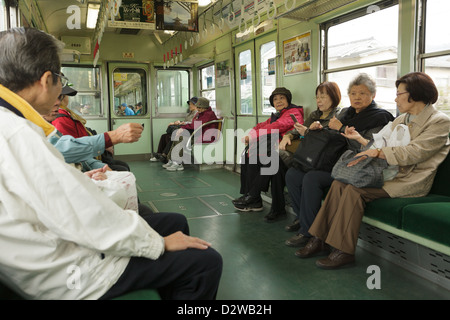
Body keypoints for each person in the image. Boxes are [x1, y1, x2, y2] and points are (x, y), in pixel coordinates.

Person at [0, 27, 222, 300]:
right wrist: (158, 244)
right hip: (67, 272)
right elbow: (80, 213)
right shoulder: (17, 133)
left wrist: (83, 180)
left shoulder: (12, 126)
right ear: (47, 80)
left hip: (45, 250)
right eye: (61, 80)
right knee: (206, 262)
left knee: (174, 222)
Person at [297, 72, 450, 269]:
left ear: (415, 94)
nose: (395, 98)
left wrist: (377, 153)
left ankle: (343, 250)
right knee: (339, 183)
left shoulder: (439, 121)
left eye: (399, 93)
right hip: (389, 173)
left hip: (409, 181)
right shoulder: (403, 118)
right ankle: (319, 238)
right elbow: (380, 141)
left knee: (354, 189)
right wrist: (360, 140)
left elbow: (415, 153)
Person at [285, 74, 395, 247]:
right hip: (333, 160)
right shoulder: (346, 113)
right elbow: (330, 137)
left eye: (362, 93)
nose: (357, 97)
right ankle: (303, 220)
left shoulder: (381, 118)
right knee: (293, 174)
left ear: (373, 95)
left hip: (355, 164)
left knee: (311, 178)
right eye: (353, 93)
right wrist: (316, 130)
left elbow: (368, 148)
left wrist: (342, 128)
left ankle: (309, 233)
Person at [232, 87, 304, 215]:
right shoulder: (276, 115)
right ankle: (251, 196)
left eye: (282, 98)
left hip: (287, 152)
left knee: (268, 162)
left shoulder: (294, 113)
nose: (278, 101)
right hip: (275, 149)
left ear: (288, 100)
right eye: (275, 99)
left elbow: (278, 126)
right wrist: (252, 133)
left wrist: (254, 136)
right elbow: (260, 126)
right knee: (248, 154)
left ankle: (253, 196)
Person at [43, 97, 143, 171]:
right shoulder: (60, 119)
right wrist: (113, 137)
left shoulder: (58, 119)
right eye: (54, 96)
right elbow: (64, 151)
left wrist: (98, 165)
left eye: (60, 97)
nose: (57, 102)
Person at [52, 85, 130, 171]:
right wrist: (106, 142)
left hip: (87, 158)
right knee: (123, 169)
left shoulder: (66, 114)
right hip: (83, 162)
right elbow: (73, 151)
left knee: (122, 166)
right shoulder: (60, 118)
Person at [163, 97, 218, 171]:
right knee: (177, 136)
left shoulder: (209, 114)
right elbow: (193, 123)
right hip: (197, 135)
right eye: (197, 107)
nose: (198, 109)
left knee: (181, 139)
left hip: (204, 137)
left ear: (205, 107)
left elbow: (196, 125)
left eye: (200, 108)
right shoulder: (200, 113)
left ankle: (178, 163)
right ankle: (171, 160)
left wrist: (182, 128)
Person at [150, 97, 198, 162]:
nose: (190, 106)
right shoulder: (191, 113)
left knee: (173, 136)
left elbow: (192, 123)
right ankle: (160, 154)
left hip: (189, 131)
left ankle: (165, 155)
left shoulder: (196, 113)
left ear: (196, 105)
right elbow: (186, 121)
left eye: (191, 104)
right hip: (184, 128)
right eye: (189, 104)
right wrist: (178, 122)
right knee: (164, 136)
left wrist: (181, 123)